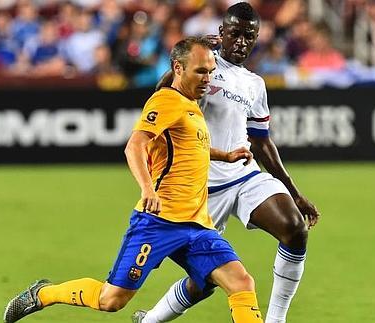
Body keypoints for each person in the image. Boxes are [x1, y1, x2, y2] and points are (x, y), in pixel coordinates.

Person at [2, 36, 264, 323]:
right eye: (201, 71)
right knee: (111, 300)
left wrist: (223, 156)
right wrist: (147, 188)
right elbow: (135, 145)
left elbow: (189, 148)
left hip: (198, 224)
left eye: (211, 71)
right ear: (178, 68)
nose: (208, 78)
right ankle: (43, 294)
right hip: (158, 222)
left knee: (241, 282)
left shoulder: (191, 105)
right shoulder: (167, 101)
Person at [134, 3, 320, 323]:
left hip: (245, 175)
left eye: (250, 36)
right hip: (202, 187)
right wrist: (197, 51)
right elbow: (164, 92)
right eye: (235, 34)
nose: (242, 42)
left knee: (294, 228)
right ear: (221, 33)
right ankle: (149, 320)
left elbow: (261, 140)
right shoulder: (205, 67)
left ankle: (276, 320)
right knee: (203, 282)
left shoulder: (254, 84)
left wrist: (294, 191)